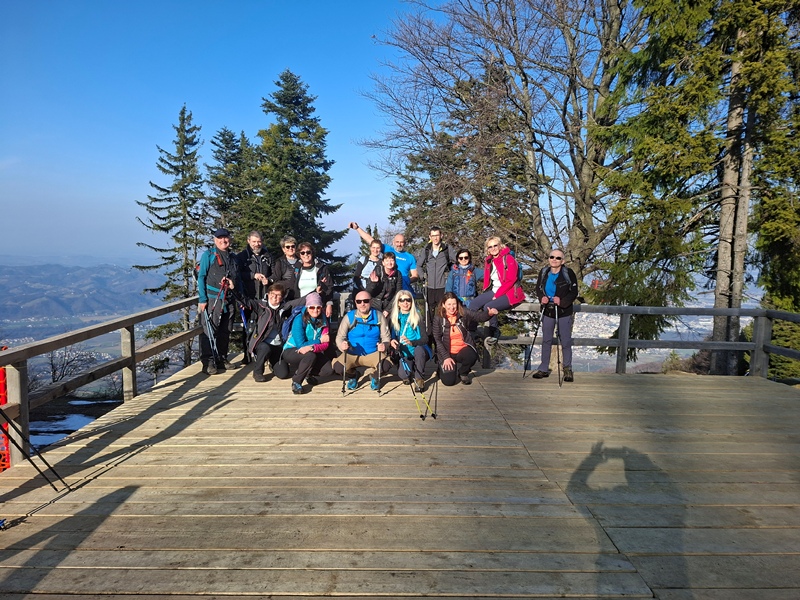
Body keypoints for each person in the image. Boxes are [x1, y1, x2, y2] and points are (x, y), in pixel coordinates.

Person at [531, 249, 579, 382]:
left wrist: (562, 302)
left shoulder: (568, 273)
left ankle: (567, 369)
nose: (554, 259)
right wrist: (542, 298)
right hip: (547, 310)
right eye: (552, 257)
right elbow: (538, 288)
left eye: (558, 258)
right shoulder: (544, 272)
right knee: (546, 340)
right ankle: (543, 368)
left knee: (565, 340)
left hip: (563, 311)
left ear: (562, 261)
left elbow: (574, 292)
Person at [198, 228, 241, 375]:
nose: (223, 241)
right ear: (215, 240)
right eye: (220, 238)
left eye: (226, 238)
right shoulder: (208, 256)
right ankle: (208, 362)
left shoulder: (233, 258)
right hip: (212, 298)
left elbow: (238, 279)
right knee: (209, 330)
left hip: (228, 299)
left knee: (225, 330)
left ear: (230, 239)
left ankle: (222, 358)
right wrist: (202, 299)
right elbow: (201, 277)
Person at [432, 292, 497, 386]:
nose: (452, 307)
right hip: (446, 351)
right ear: (443, 305)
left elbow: (478, 317)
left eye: (454, 304)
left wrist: (489, 314)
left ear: (457, 304)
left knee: (471, 356)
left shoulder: (463, 313)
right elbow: (437, 339)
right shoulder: (438, 318)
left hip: (462, 348)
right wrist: (446, 357)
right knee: (448, 382)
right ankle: (441, 367)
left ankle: (463, 372)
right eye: (449, 304)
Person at [331, 290, 392, 391]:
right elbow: (340, 337)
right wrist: (342, 345)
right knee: (338, 367)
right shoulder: (349, 317)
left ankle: (374, 376)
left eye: (366, 301)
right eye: (359, 301)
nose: (362, 304)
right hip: (352, 353)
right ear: (355, 303)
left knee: (386, 365)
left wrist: (384, 345)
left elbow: (386, 337)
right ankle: (353, 375)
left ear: (371, 302)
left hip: (373, 353)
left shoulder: (379, 316)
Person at [468, 236, 525, 342]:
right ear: (487, 249)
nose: (493, 248)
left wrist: (497, 295)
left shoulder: (508, 258)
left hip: (510, 292)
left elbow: (511, 279)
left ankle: (494, 330)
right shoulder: (489, 261)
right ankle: (471, 331)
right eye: (490, 247)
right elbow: (488, 278)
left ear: (500, 246)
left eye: (495, 245)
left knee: (489, 306)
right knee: (473, 304)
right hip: (495, 290)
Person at [275, 292, 331, 394]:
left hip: (312, 350)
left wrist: (313, 347)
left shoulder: (323, 320)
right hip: (291, 350)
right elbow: (301, 344)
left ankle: (306, 372)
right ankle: (296, 381)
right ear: (307, 307)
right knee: (310, 356)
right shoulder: (299, 319)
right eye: (312, 307)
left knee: (328, 369)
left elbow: (326, 343)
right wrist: (318, 341)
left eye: (318, 307)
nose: (315, 310)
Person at [236, 283, 289, 382]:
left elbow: (300, 302)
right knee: (265, 348)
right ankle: (258, 371)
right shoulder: (261, 305)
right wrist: (233, 288)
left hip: (278, 345)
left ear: (282, 297)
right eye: (272, 294)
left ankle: (273, 363)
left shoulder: (285, 308)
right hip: (262, 343)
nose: (275, 297)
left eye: (278, 295)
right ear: (268, 294)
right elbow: (245, 301)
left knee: (283, 374)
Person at [348, 222, 419, 292]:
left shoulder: (410, 257)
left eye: (401, 242)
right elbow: (371, 240)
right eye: (397, 242)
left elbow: (415, 276)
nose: (399, 244)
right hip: (389, 288)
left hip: (404, 290)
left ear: (405, 243)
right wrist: (357, 228)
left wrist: (404, 280)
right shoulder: (388, 250)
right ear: (393, 242)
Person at [236, 231, 273, 364]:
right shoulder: (241, 257)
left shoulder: (268, 256)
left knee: (263, 327)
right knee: (247, 329)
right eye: (254, 241)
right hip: (248, 298)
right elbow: (238, 275)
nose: (257, 244)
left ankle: (262, 356)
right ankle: (247, 356)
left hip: (264, 298)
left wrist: (268, 280)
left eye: (259, 241)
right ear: (248, 241)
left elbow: (274, 273)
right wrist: (253, 276)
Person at [389, 290, 431, 391]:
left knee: (419, 351)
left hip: (418, 348)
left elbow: (425, 339)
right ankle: (410, 368)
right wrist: (392, 341)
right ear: (398, 303)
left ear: (411, 302)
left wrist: (412, 342)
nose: (405, 303)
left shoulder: (417, 317)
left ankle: (419, 379)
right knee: (403, 375)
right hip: (404, 352)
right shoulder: (394, 319)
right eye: (402, 300)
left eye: (408, 300)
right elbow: (393, 336)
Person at [416, 226, 457, 331]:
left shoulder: (447, 249)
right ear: (430, 236)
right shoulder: (426, 250)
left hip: (442, 286)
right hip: (429, 287)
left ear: (441, 236)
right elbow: (419, 265)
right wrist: (422, 277)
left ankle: (442, 337)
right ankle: (429, 340)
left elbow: (457, 261)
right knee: (428, 315)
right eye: (433, 236)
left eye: (437, 235)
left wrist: (451, 274)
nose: (435, 238)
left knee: (441, 314)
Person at [286, 242, 334, 319]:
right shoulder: (296, 269)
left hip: (318, 308)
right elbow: (291, 288)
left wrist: (329, 304)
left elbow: (329, 287)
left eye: (308, 252)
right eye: (302, 253)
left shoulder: (321, 268)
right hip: (300, 307)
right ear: (299, 255)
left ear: (312, 252)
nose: (306, 254)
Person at [365, 251, 402, 317]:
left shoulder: (398, 274)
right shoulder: (377, 272)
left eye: (392, 260)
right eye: (387, 260)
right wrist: (373, 283)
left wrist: (388, 310)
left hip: (389, 304)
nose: (389, 263)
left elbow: (398, 293)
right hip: (375, 304)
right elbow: (368, 292)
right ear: (383, 262)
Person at [271, 235, 300, 300]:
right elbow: (276, 280)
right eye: (287, 247)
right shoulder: (279, 262)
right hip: (286, 294)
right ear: (283, 249)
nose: (290, 248)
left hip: (300, 294)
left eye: (293, 246)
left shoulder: (301, 261)